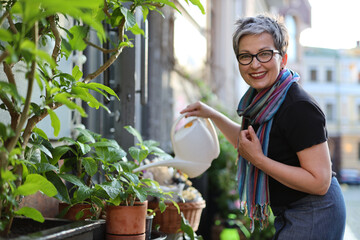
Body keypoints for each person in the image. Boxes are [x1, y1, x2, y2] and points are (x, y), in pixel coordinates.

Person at [180, 14, 346, 239]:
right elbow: (247, 144)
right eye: (245, 56)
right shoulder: (259, 102)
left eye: (265, 54)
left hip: (316, 211)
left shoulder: (298, 107)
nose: (255, 64)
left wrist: (260, 160)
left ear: (283, 58)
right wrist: (212, 115)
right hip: (289, 210)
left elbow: (320, 182)